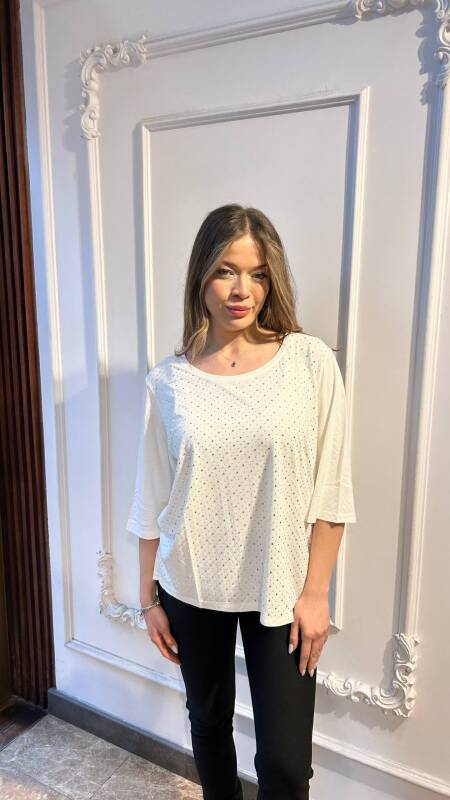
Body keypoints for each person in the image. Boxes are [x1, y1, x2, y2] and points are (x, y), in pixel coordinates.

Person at [126, 204, 357, 800]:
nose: (241, 290)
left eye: (257, 274)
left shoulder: (309, 362)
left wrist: (316, 592)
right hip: (191, 582)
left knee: (285, 762)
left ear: (272, 279)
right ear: (201, 276)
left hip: (282, 586)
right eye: (226, 271)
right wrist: (148, 598)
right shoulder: (168, 381)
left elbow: (332, 488)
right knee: (208, 726)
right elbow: (152, 499)